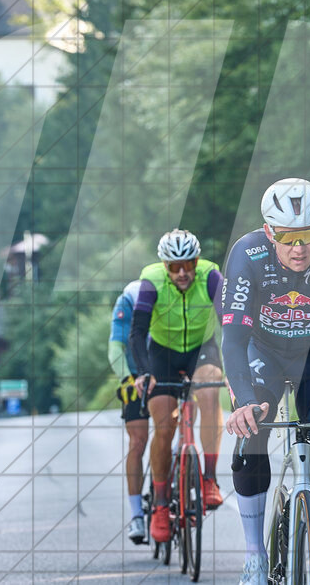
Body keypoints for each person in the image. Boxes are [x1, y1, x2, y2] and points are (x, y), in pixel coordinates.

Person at [223, 178, 310, 585]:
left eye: (308, 234)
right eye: (287, 236)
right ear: (269, 232)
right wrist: (244, 401)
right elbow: (233, 339)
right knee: (251, 435)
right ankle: (254, 554)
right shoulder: (248, 254)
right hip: (263, 354)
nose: (299, 247)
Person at [131, 228, 225, 544]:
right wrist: (144, 373)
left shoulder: (211, 275)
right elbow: (137, 332)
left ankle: (209, 478)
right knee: (164, 426)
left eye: (189, 264)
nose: (183, 272)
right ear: (165, 266)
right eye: (175, 267)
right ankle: (159, 505)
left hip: (202, 347)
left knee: (210, 392)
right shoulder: (151, 281)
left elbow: (231, 320)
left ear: (197, 260)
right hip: (162, 354)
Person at [109, 280, 151, 544]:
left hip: (168, 370)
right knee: (137, 442)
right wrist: (126, 378)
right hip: (136, 374)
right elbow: (115, 348)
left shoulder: (177, 292)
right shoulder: (130, 297)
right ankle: (137, 514)